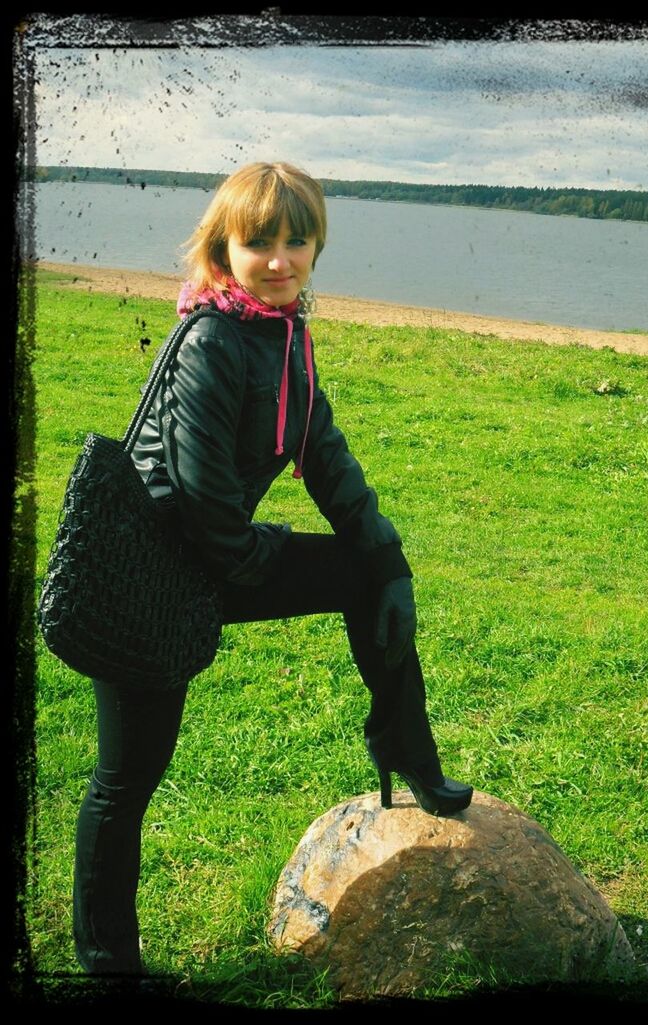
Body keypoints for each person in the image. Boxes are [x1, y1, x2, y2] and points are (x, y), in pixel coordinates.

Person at [72, 161, 473, 975]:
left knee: (367, 574)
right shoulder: (213, 340)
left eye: (299, 240)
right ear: (225, 246)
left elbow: (324, 455)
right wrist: (277, 552)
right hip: (148, 582)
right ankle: (107, 957)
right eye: (261, 241)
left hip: (216, 563)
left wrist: (386, 556)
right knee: (127, 778)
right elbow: (206, 507)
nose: (281, 258)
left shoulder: (285, 333)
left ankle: (408, 749)